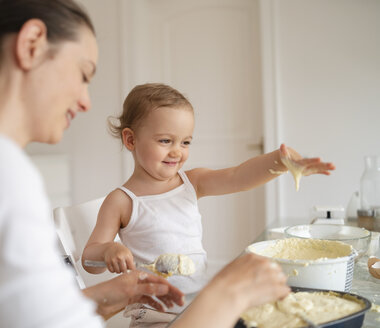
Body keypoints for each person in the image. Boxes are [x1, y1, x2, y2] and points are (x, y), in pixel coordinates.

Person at [0, 1, 289, 328]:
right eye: (83, 75)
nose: (85, 101)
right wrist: (229, 292)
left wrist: (97, 298)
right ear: (31, 44)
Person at [82, 83, 335, 326]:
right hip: (154, 315)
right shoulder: (122, 200)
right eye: (165, 141)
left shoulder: (192, 182)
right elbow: (89, 258)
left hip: (199, 306)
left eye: (185, 142)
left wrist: (281, 162)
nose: (177, 152)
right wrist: (107, 251)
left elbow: (239, 177)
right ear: (131, 140)